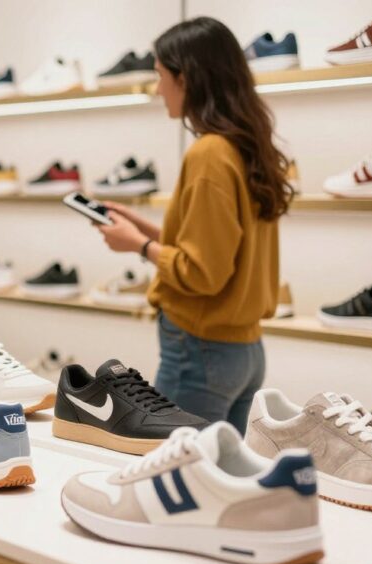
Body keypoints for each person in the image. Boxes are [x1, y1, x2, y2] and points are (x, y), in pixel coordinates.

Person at [95, 16, 292, 434]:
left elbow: (203, 273)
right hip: (244, 351)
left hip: (200, 351)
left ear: (186, 79)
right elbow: (223, 251)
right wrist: (145, 230)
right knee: (218, 477)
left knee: (179, 477)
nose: (156, 88)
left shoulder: (208, 154)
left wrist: (139, 248)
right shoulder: (246, 146)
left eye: (160, 76)